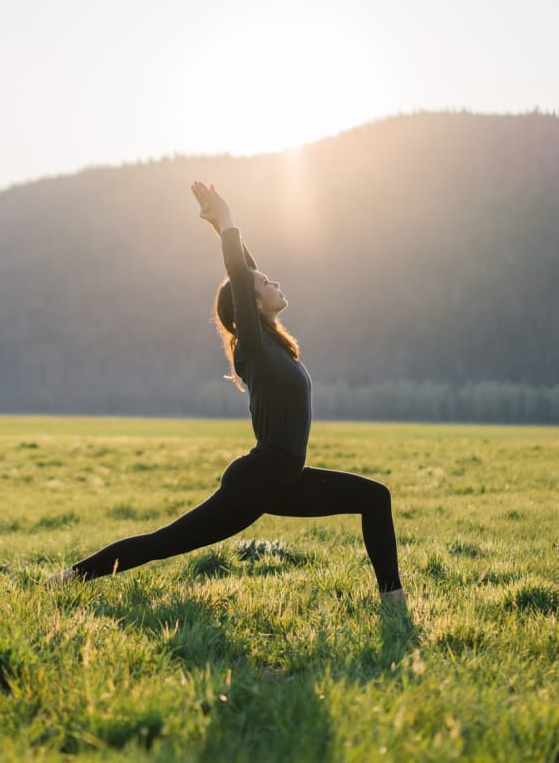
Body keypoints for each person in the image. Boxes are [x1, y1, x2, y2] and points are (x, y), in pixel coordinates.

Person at [47, 181, 407, 610]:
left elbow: (245, 272)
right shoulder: (253, 347)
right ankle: (67, 579)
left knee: (374, 497)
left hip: (285, 479)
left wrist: (222, 227)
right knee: (167, 542)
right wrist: (229, 221)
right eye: (266, 282)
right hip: (257, 480)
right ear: (252, 306)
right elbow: (241, 275)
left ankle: (394, 606)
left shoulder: (273, 344)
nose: (274, 281)